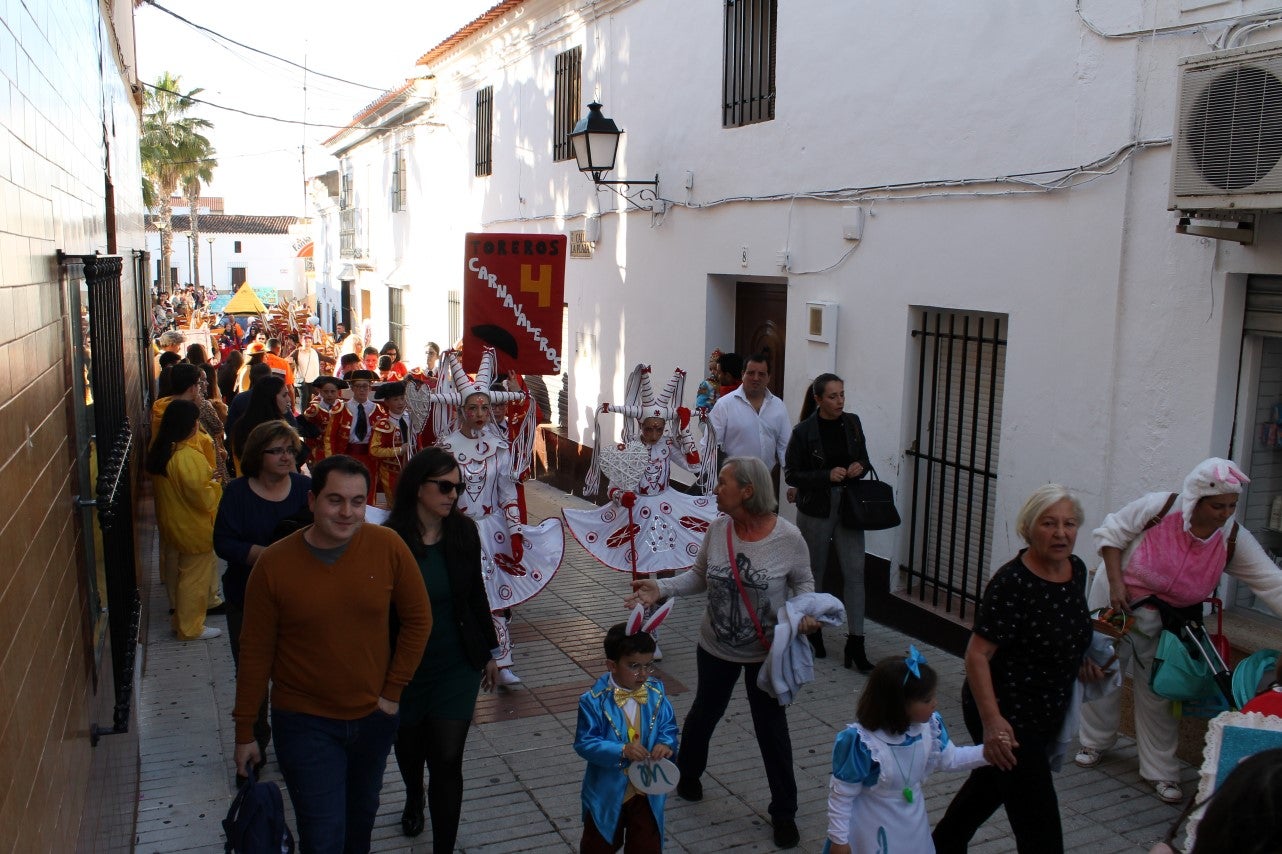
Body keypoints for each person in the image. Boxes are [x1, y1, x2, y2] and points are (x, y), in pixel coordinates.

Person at [232, 455, 432, 854]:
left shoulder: (387, 546)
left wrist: (392, 693)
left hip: (372, 720)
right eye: (335, 500)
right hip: (304, 723)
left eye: (358, 502)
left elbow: (418, 620)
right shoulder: (274, 564)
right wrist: (244, 732)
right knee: (323, 836)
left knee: (359, 831)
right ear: (312, 502)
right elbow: (255, 652)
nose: (347, 512)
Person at [627, 456, 815, 849]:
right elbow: (698, 577)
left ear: (747, 490)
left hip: (764, 652)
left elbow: (804, 585)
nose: (715, 489)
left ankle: (784, 813)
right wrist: (661, 589)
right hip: (715, 644)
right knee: (704, 714)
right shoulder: (718, 530)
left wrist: (806, 615)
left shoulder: (788, 538)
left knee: (771, 730)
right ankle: (689, 776)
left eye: (723, 483)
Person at [1077, 459, 1282, 803]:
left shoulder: (1231, 537)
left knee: (1160, 689)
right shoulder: (1159, 508)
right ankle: (1094, 740)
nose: (1224, 514)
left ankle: (1160, 770)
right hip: (1119, 602)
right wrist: (1115, 583)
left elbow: (1270, 582)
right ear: (1195, 499)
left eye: (1231, 506)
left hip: (1170, 618)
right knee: (1103, 671)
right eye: (1217, 505)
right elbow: (1111, 535)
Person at [932, 485, 1098, 854]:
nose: (1061, 533)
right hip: (1006, 715)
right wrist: (992, 724)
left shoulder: (1077, 570)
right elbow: (977, 655)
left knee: (988, 786)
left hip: (1047, 712)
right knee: (1039, 825)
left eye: (1069, 524)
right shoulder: (1012, 583)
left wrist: (1080, 656)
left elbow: (1068, 624)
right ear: (1028, 528)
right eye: (1049, 523)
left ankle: (938, 846)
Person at [383, 447, 500, 847]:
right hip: (403, 666)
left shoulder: (464, 531)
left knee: (448, 760)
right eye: (445, 486)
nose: (454, 495)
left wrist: (489, 652)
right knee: (410, 747)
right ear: (418, 488)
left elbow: (474, 595)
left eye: (459, 487)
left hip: (455, 664)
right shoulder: (388, 539)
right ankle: (414, 795)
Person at [433, 348, 564, 686]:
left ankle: (502, 661)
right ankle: (458, 658)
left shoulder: (499, 446)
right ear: (461, 410)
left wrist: (516, 528)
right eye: (473, 408)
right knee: (456, 594)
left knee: (496, 593)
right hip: (455, 531)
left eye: (485, 407)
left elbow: (507, 492)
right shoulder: (445, 448)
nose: (479, 413)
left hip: (492, 530)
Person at [213, 420, 311, 774]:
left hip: (299, 599)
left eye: (290, 449)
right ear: (258, 454)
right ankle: (254, 742)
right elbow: (223, 542)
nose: (287, 456)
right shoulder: (238, 493)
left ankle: (297, 743)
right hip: (248, 596)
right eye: (277, 451)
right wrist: (260, 555)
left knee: (296, 674)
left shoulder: (305, 489)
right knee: (253, 673)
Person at [824, 649, 987, 854]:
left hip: (912, 826)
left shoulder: (930, 727)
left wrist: (988, 753)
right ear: (900, 705)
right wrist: (839, 839)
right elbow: (843, 794)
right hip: (871, 829)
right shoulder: (863, 743)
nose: (935, 703)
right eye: (927, 700)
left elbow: (950, 758)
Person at [566, 363, 717, 581]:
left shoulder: (667, 445)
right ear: (639, 424)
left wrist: (684, 432)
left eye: (659, 428)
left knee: (668, 557)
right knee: (641, 561)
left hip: (666, 506)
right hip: (638, 510)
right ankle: (643, 606)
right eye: (649, 428)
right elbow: (612, 489)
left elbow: (694, 466)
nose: (654, 434)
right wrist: (621, 497)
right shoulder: (629, 448)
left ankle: (663, 599)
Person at [784, 373, 874, 671]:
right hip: (817, 508)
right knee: (814, 571)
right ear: (818, 399)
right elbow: (792, 474)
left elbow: (864, 457)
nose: (840, 401)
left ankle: (856, 643)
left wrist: (860, 466)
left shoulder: (852, 423)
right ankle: (814, 632)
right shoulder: (803, 432)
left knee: (856, 573)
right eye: (833, 396)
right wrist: (825, 476)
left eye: (842, 395)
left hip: (850, 507)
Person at [574, 614, 679, 853]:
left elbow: (668, 727)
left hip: (647, 787)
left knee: (646, 844)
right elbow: (585, 743)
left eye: (648, 665)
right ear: (612, 665)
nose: (643, 674)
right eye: (634, 666)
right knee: (598, 844)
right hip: (608, 790)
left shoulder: (656, 693)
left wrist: (666, 743)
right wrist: (621, 750)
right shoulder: (593, 702)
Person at [145, 399, 222, 641]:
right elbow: (202, 497)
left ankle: (181, 621)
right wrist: (215, 484)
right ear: (189, 425)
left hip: (175, 523)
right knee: (194, 579)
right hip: (193, 527)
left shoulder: (163, 451)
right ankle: (191, 627)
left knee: (184, 576)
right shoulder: (188, 455)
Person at [707, 353, 790, 476]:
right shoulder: (724, 405)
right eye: (751, 373)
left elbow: (786, 447)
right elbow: (709, 444)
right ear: (742, 375)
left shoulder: (778, 406)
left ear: (768, 377)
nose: (756, 378)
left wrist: (792, 483)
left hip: (764, 482)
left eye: (761, 374)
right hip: (733, 482)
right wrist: (714, 482)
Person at [323, 369, 380, 501]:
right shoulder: (341, 409)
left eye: (365, 386)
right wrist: (332, 461)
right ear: (352, 388)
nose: (362, 390)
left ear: (370, 388)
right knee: (346, 489)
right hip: (347, 455)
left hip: (370, 457)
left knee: (368, 490)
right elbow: (329, 437)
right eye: (358, 386)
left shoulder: (378, 411)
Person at [229, 375, 299, 475]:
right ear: (270, 397)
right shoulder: (277, 430)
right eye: (284, 395)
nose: (288, 399)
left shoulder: (241, 425)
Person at [371, 380, 416, 507]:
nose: (400, 403)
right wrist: (399, 450)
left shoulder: (413, 420)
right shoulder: (382, 425)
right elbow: (374, 450)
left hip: (412, 470)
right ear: (387, 402)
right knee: (395, 506)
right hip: (391, 473)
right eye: (395, 399)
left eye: (402, 398)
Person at [300, 375, 347, 463]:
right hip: (320, 450)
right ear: (320, 392)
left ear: (338, 392)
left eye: (333, 392)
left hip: (340, 449)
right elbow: (308, 434)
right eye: (326, 392)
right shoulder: (314, 410)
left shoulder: (344, 408)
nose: (329, 395)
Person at [293, 333, 321, 410]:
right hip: (301, 379)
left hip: (312, 378)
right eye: (306, 341)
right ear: (302, 342)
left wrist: (335, 361)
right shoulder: (297, 351)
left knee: (309, 397)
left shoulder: (314, 352)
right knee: (304, 397)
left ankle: (308, 415)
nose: (308, 343)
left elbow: (324, 358)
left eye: (309, 342)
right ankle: (302, 417)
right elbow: (288, 359)